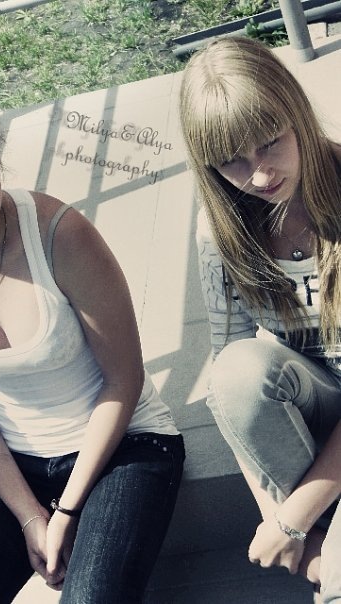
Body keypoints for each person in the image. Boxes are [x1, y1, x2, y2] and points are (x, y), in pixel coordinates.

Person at [0, 78, 185, 604]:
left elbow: (124, 380)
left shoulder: (59, 234)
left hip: (124, 444)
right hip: (15, 457)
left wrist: (66, 510)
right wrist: (30, 516)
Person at [179, 36, 341, 602]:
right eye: (232, 160)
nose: (260, 173)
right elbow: (228, 393)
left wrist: (294, 520)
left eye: (270, 142)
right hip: (318, 396)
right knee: (238, 369)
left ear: (296, 112)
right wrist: (278, 519)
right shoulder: (221, 232)